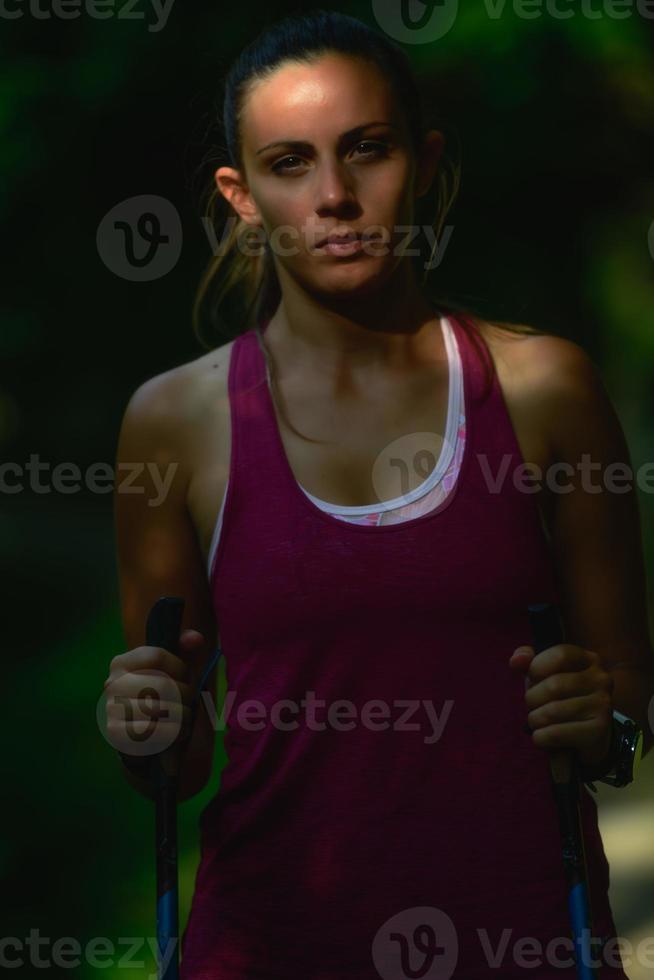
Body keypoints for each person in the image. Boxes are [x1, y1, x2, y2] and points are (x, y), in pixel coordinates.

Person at [108, 9, 653, 979]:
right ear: (239, 195)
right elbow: (176, 765)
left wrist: (600, 719)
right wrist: (148, 721)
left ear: (427, 159)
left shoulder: (544, 389)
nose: (334, 195)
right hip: (266, 947)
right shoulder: (174, 420)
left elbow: (626, 699)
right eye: (289, 163)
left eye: (367, 150)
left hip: (521, 940)